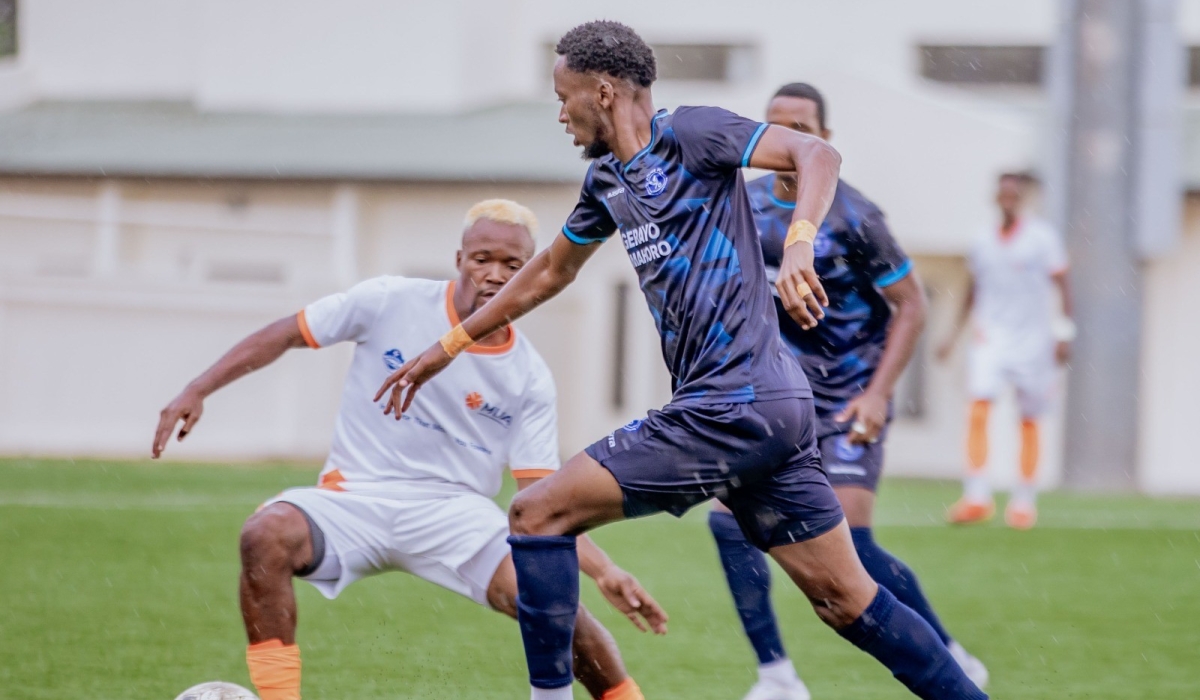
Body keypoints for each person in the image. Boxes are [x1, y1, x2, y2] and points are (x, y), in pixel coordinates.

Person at [377, 21, 988, 700]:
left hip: (734, 404)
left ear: (603, 91)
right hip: (770, 414)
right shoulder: (607, 181)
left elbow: (816, 154)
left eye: (564, 95)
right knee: (846, 600)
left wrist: (799, 244)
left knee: (535, 514)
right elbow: (551, 270)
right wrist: (449, 345)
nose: (559, 111)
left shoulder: (694, 134)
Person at [151, 200, 659, 700]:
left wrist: (606, 570)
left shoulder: (529, 376)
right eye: (482, 259)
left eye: (513, 264)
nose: (495, 274)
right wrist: (198, 388)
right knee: (265, 535)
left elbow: (544, 501)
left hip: (457, 514)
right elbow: (287, 333)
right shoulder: (390, 301)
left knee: (553, 603)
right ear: (459, 259)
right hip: (355, 498)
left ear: (530, 273)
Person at [707, 83, 989, 700]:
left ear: (824, 140)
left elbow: (910, 304)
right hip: (776, 402)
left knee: (852, 544)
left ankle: (950, 654)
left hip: (848, 400)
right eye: (776, 125)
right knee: (727, 523)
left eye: (801, 127)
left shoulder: (856, 215)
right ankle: (776, 675)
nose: (787, 139)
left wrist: (880, 394)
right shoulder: (739, 204)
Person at [937, 173, 1073, 530]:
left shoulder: (1043, 239)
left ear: (1023, 199)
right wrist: (953, 334)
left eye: (1014, 196)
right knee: (978, 410)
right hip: (991, 338)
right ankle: (977, 497)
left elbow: (1063, 285)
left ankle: (1024, 502)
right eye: (1003, 195)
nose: (1008, 201)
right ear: (996, 199)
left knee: (1028, 419)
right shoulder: (982, 241)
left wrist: (1064, 332)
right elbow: (973, 290)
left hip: (1034, 342)